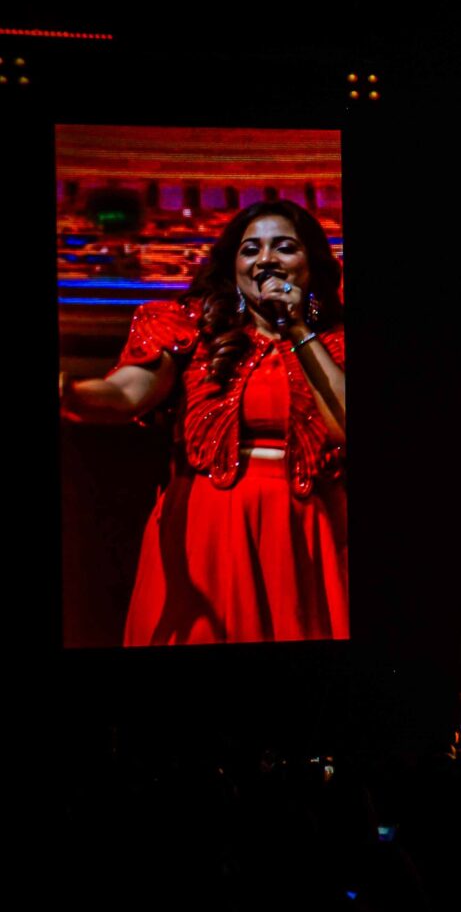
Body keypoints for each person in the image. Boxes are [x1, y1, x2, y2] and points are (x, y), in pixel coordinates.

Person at [59, 199, 347, 645]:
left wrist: (296, 329)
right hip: (206, 525)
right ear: (233, 267)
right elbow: (128, 393)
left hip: (303, 530)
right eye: (250, 250)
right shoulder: (191, 329)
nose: (265, 259)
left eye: (284, 247)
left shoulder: (335, 341)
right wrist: (71, 392)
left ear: (312, 264)